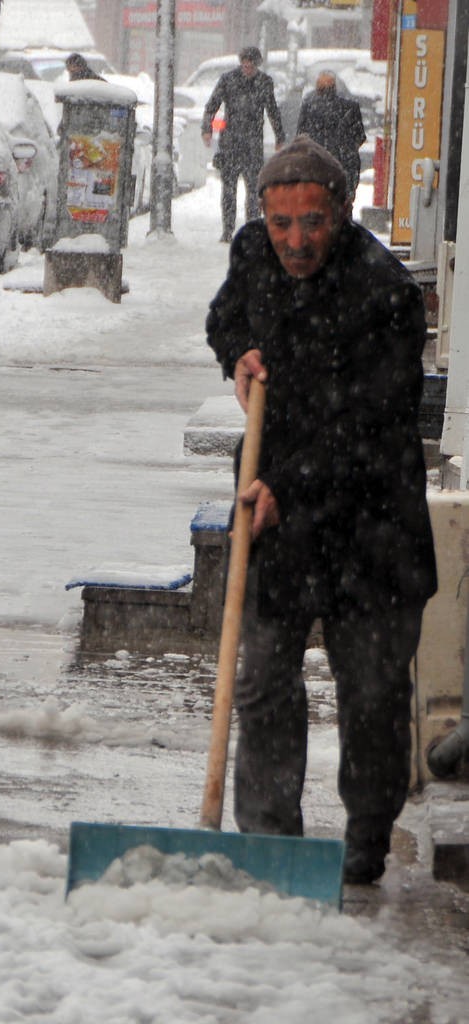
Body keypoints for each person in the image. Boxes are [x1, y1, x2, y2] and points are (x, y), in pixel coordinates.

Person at [205, 136, 438, 885]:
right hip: (281, 518)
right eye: (280, 223)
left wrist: (289, 486)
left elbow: (368, 423)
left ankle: (364, 839)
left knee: (369, 695)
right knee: (263, 683)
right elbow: (225, 318)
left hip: (370, 523)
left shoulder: (385, 294)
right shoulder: (252, 253)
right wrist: (238, 351)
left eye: (311, 221)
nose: (294, 241)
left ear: (340, 211)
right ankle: (271, 846)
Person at [201, 46, 285, 243]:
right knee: (228, 189)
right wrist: (207, 128)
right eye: (244, 65)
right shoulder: (228, 80)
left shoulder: (264, 83)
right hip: (230, 142)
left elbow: (272, 110)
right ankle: (228, 230)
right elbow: (212, 105)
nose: (247, 69)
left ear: (257, 65)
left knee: (254, 189)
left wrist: (279, 136)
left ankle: (252, 229)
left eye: (251, 66)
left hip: (252, 143)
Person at [296, 71, 366, 200]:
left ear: (318, 87)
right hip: (345, 167)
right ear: (335, 87)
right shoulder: (350, 107)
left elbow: (301, 137)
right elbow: (360, 136)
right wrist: (347, 149)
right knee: (343, 208)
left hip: (317, 170)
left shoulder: (309, 108)